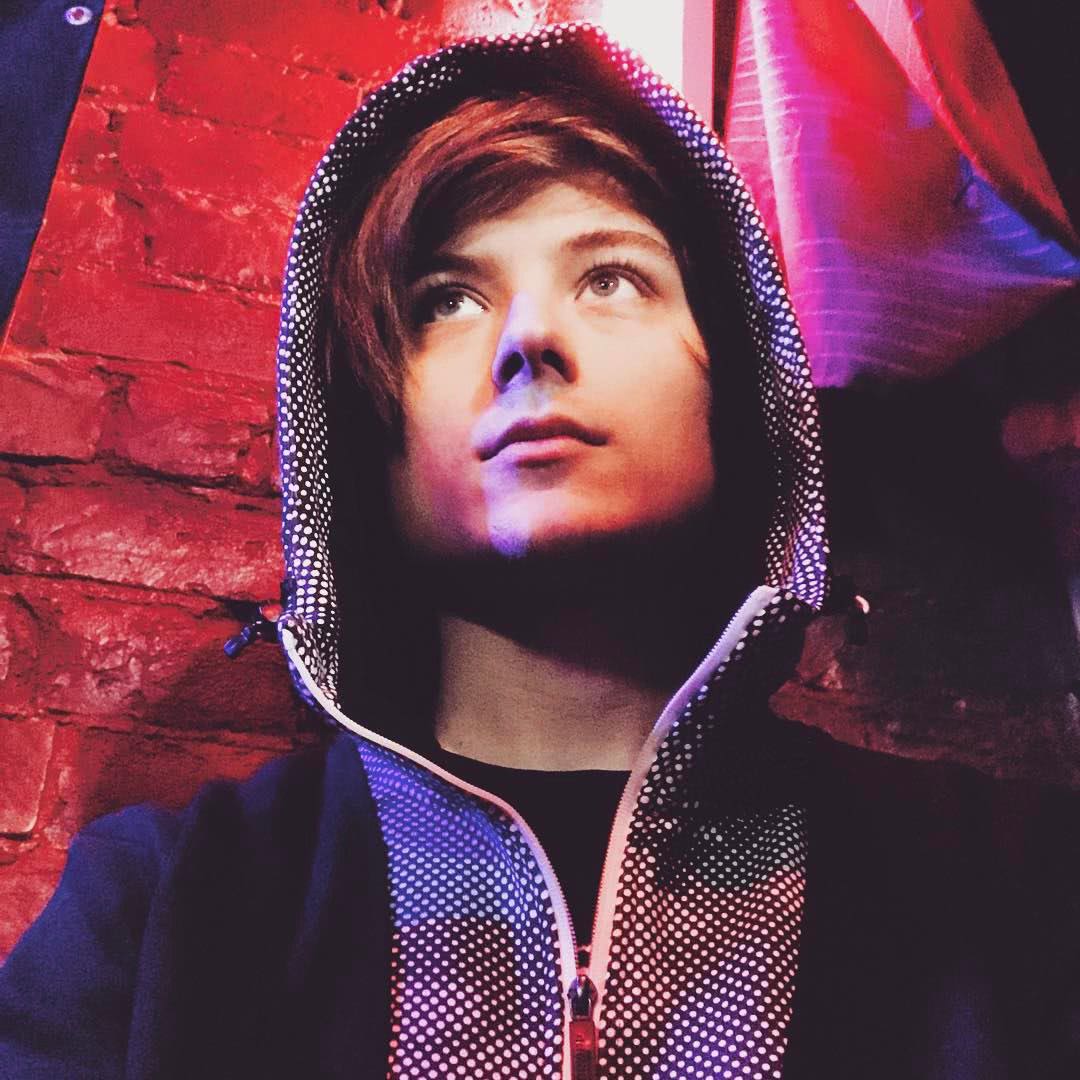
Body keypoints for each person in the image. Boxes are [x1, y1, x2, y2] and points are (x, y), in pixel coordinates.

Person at [1, 21, 1078, 1080]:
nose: (527, 338)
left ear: (736, 390)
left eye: (612, 278)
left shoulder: (1015, 887)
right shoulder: (156, 916)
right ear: (365, 437)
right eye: (446, 302)